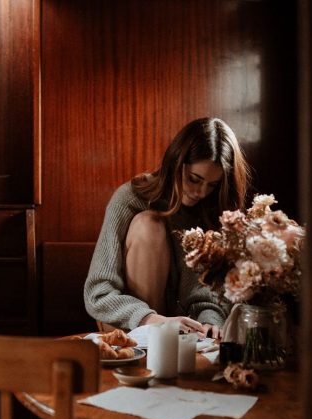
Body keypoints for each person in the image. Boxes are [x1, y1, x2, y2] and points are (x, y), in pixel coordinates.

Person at [84, 117, 252, 338]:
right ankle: (156, 343)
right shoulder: (131, 198)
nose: (201, 192)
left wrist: (210, 321)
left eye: (212, 185)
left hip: (182, 328)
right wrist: (151, 319)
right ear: (176, 163)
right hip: (126, 321)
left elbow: (206, 292)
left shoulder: (213, 210)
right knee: (149, 224)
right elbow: (98, 293)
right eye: (194, 179)